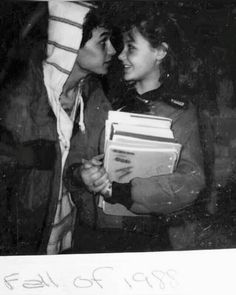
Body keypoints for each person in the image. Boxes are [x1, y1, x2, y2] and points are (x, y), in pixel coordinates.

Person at [68, 2, 206, 252]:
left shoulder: (180, 112)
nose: (120, 56)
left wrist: (121, 191)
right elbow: (74, 158)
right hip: (91, 236)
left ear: (159, 52)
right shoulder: (102, 99)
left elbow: (191, 182)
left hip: (144, 242)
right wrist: (81, 174)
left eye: (131, 48)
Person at [0, 1, 116, 255]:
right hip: (25, 238)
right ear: (71, 41)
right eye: (103, 42)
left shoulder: (93, 96)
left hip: (66, 231)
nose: (113, 50)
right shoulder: (22, 95)